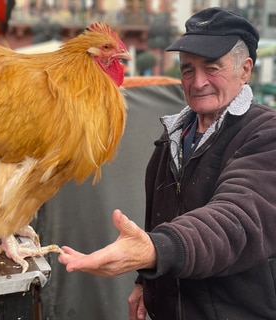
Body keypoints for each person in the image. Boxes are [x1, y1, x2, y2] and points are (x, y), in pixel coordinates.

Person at [59, 7, 276, 320]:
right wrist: (144, 283)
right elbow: (159, 219)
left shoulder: (266, 133)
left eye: (212, 68)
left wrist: (153, 251)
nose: (198, 81)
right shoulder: (174, 134)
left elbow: (237, 220)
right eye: (187, 70)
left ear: (245, 69)